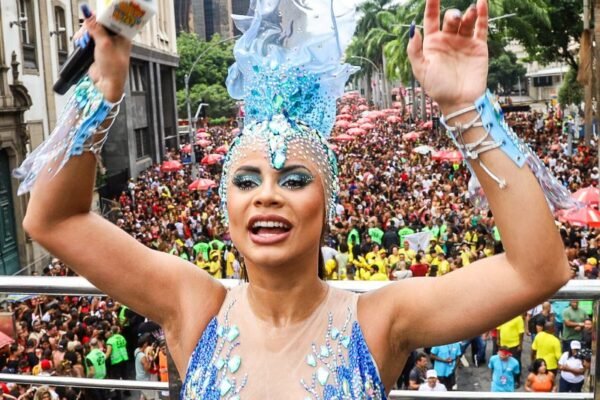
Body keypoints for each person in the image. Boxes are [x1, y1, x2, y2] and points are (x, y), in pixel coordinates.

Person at [16, 0, 574, 397]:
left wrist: (464, 109)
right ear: (225, 209)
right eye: (246, 181)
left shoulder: (380, 320)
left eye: (294, 180)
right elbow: (55, 219)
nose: (267, 197)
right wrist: (105, 88)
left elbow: (537, 270)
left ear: (328, 205)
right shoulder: (193, 305)